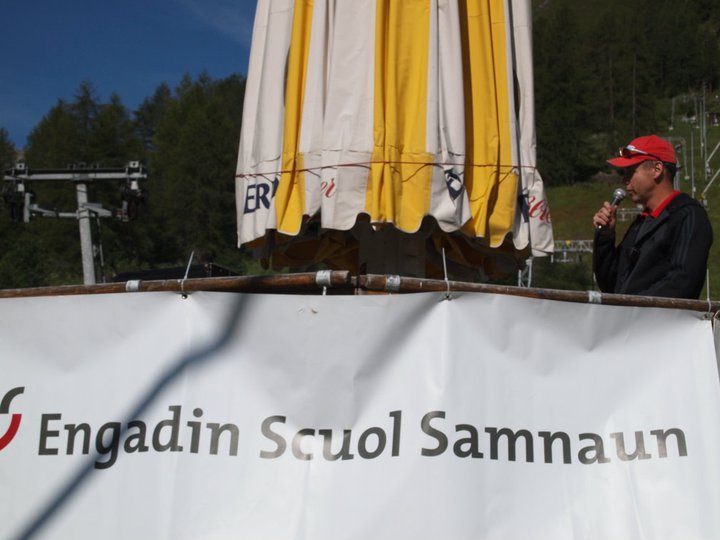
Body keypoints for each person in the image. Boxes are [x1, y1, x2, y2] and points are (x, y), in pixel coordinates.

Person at [592, 134, 713, 299]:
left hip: (654, 316)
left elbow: (682, 283)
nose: (625, 180)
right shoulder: (642, 222)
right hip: (630, 314)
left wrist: (630, 306)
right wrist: (605, 236)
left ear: (657, 169)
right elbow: (611, 283)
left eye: (631, 171)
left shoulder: (688, 216)